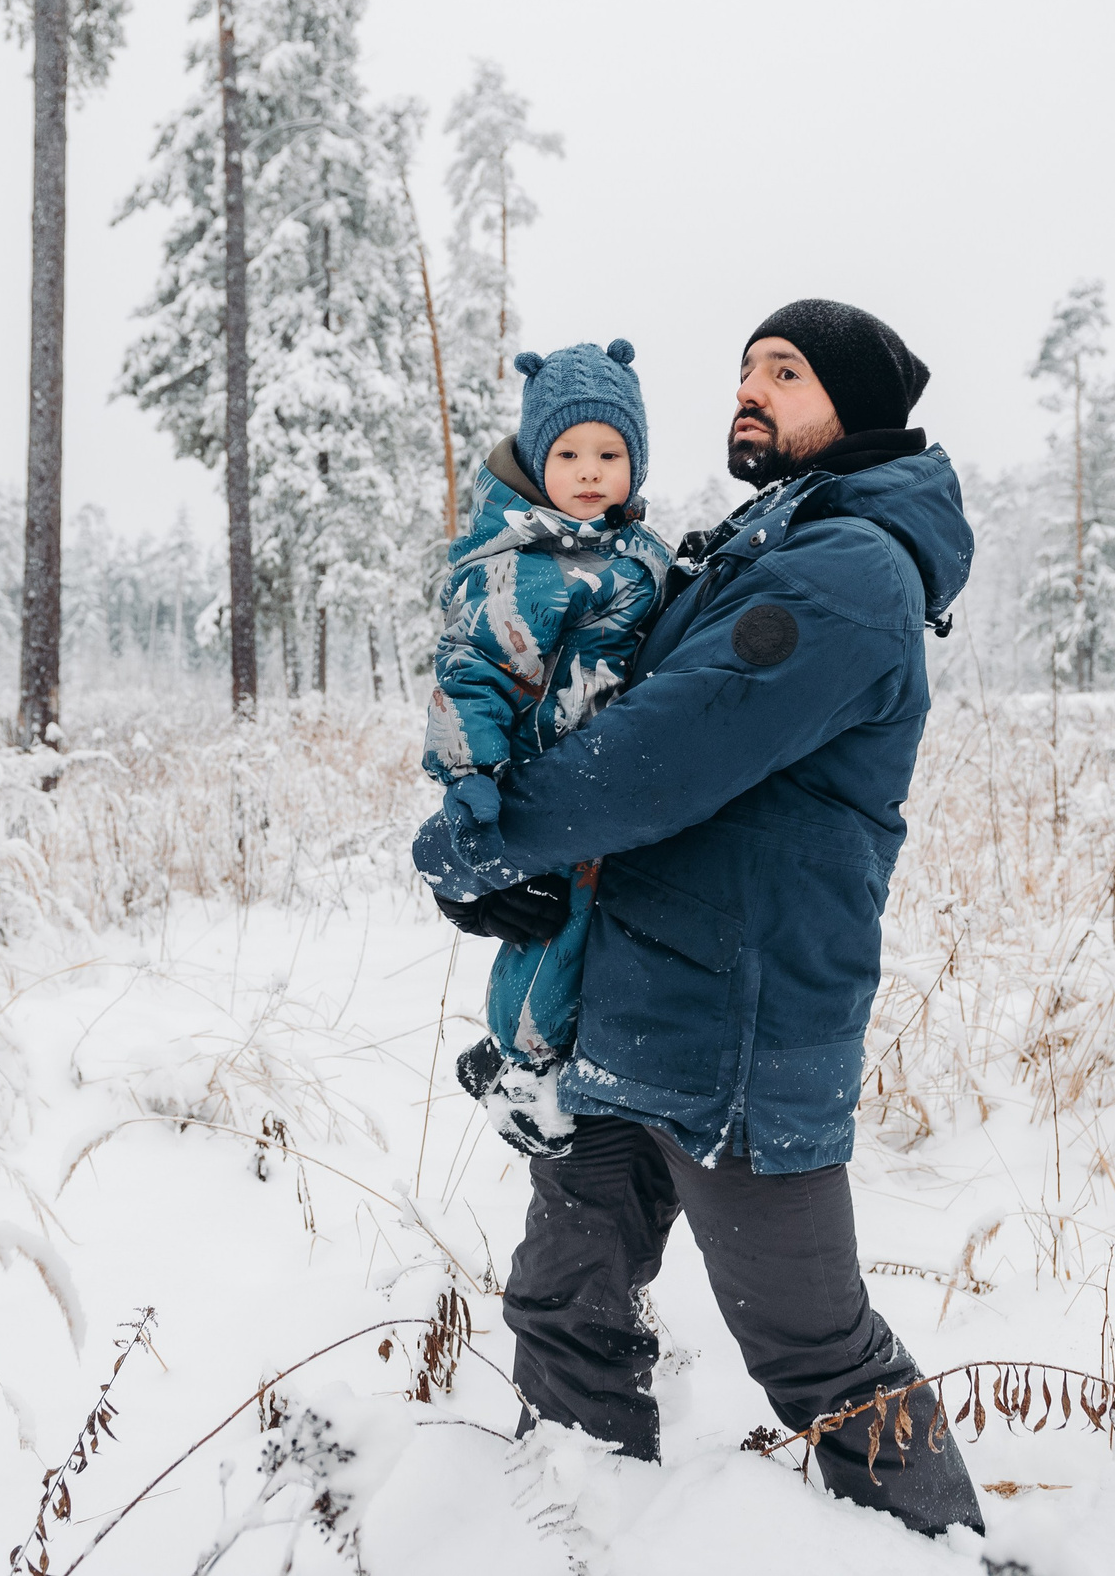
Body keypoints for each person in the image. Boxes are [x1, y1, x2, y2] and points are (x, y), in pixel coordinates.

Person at [415, 299, 986, 1540]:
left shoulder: (847, 571)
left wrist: (483, 836)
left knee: (816, 1351)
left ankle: (943, 1547)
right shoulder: (756, 541)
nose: (750, 388)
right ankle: (575, 1526)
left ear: (862, 410)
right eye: (744, 369)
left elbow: (665, 754)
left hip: (737, 1027)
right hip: (625, 1002)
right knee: (566, 1302)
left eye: (784, 372)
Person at [422, 338, 671, 1157]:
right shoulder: (526, 564)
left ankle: (528, 1059)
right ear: (537, 459)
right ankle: (519, 1066)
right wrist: (472, 772)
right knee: (551, 931)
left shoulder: (633, 551)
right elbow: (474, 670)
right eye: (569, 453)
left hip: (603, 783)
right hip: (542, 782)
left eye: (610, 452)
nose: (591, 469)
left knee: (584, 928)